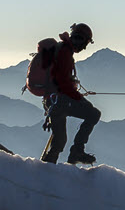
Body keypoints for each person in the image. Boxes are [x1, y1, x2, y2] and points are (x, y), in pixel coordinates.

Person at [40, 23, 102, 165]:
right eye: (85, 43)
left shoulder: (62, 49)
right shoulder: (65, 52)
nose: (84, 47)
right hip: (59, 101)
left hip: (53, 101)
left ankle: (47, 167)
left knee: (59, 141)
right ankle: (76, 152)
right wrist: (77, 96)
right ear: (80, 39)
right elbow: (62, 81)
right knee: (93, 114)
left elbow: (58, 78)